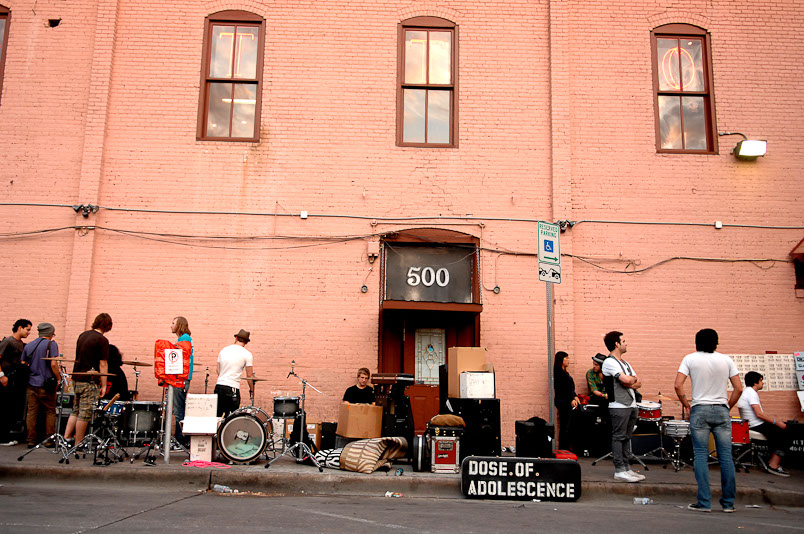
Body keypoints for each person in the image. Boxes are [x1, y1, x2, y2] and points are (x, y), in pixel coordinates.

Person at [674, 328, 742, 513]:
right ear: (716, 341)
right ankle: (728, 503)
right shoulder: (726, 360)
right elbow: (738, 388)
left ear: (697, 342)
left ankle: (704, 502)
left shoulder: (690, 359)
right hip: (721, 410)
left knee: (701, 456)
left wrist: (686, 404)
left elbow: (678, 384)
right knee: (726, 457)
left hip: (699, 410)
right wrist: (727, 405)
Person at [601, 331, 645, 483]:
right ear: (616, 344)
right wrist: (629, 380)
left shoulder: (625, 364)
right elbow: (627, 379)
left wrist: (628, 381)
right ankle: (619, 470)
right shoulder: (610, 362)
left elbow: (637, 382)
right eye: (624, 341)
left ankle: (627, 468)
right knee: (619, 437)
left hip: (631, 404)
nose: (626, 343)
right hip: (618, 405)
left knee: (627, 438)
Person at [64, 313, 113, 448]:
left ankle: (66, 437)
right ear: (108, 326)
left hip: (77, 377)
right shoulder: (102, 340)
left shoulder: (83, 335)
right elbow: (103, 364)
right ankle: (78, 443)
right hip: (89, 380)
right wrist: (104, 385)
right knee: (85, 413)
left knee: (76, 409)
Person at [737, 371, 792, 477]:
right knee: (786, 432)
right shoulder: (751, 393)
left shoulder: (747, 392)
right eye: (761, 380)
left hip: (753, 424)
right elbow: (759, 414)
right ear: (756, 382)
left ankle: (772, 461)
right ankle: (773, 465)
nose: (763, 383)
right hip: (755, 425)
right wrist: (776, 422)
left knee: (781, 429)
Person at [20, 323, 61, 448]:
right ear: (50, 333)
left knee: (32, 412)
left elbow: (23, 362)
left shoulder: (29, 345)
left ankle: (31, 440)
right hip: (46, 383)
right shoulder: (51, 344)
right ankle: (49, 439)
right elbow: (53, 364)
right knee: (50, 411)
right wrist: (58, 379)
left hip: (31, 383)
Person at [0, 318, 32, 446]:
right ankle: (2, 437)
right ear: (20, 328)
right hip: (6, 377)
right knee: (4, 407)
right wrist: (2, 375)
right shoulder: (8, 342)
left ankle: (7, 434)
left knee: (12, 407)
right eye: (27, 329)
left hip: (15, 378)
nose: (29, 332)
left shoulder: (21, 343)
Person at [215, 329, 253, 417]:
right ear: (246, 342)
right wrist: (251, 390)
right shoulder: (247, 354)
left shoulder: (223, 350)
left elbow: (217, 369)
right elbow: (250, 375)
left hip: (219, 386)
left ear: (236, 338)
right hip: (232, 388)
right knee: (232, 418)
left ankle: (217, 431)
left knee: (217, 416)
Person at [171, 317, 193, 447]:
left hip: (181, 378)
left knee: (179, 410)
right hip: (182, 378)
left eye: (173, 323)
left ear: (179, 325)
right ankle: (180, 438)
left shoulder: (184, 339)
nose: (171, 326)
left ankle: (181, 440)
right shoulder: (185, 338)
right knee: (179, 409)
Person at [553, 351, 580, 450]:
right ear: (561, 360)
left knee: (568, 425)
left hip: (567, 400)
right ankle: (563, 449)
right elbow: (563, 390)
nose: (568, 361)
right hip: (564, 402)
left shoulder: (565, 373)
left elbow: (570, 388)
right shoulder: (559, 374)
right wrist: (571, 399)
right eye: (566, 358)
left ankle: (567, 448)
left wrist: (575, 396)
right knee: (565, 426)